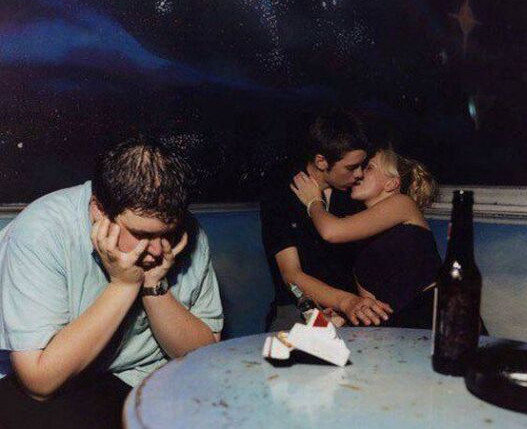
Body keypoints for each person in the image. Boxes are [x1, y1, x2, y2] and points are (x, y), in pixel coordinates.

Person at [0, 136, 223, 429]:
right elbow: (39, 381)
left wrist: (154, 286)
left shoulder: (188, 233)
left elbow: (205, 357)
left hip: (136, 377)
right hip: (52, 386)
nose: (158, 250)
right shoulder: (42, 233)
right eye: (142, 234)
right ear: (99, 211)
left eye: (167, 233)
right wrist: (123, 285)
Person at [260, 110, 393, 330]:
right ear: (321, 161)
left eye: (363, 165)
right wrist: (343, 303)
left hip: (351, 306)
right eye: (351, 168)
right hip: (298, 305)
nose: (360, 174)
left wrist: (355, 306)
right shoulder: (281, 190)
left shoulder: (355, 193)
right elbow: (290, 275)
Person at [291, 147, 441, 328]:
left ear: (391, 183)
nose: (359, 174)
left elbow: (331, 231)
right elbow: (374, 313)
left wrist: (313, 202)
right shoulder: (361, 248)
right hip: (398, 326)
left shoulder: (403, 204)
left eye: (369, 167)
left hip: (433, 312)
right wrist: (343, 322)